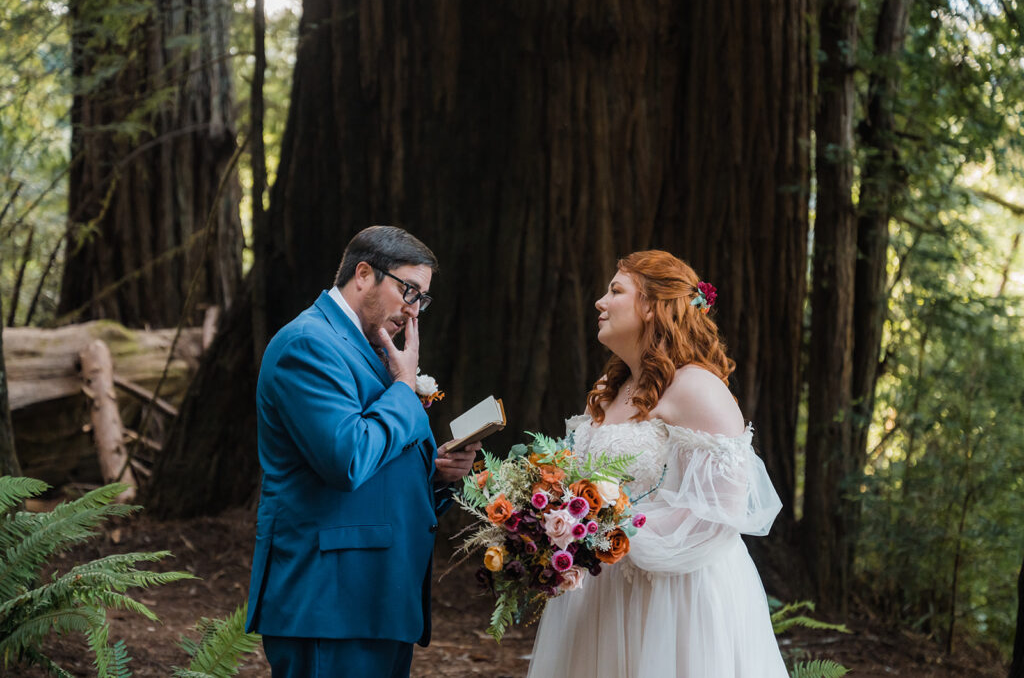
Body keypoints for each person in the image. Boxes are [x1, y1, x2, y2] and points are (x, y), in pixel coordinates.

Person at [527, 250, 788, 678]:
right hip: (602, 591)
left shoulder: (697, 388)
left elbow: (723, 508)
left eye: (615, 290)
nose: (600, 302)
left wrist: (612, 531)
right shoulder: (612, 389)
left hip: (676, 597)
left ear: (651, 306)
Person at [245, 226, 480, 678]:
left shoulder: (370, 347)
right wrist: (405, 389)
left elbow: (378, 461)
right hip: (329, 599)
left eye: (422, 299)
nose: (414, 311)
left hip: (379, 598)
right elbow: (348, 458)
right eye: (408, 290)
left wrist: (437, 476)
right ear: (363, 273)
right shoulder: (308, 343)